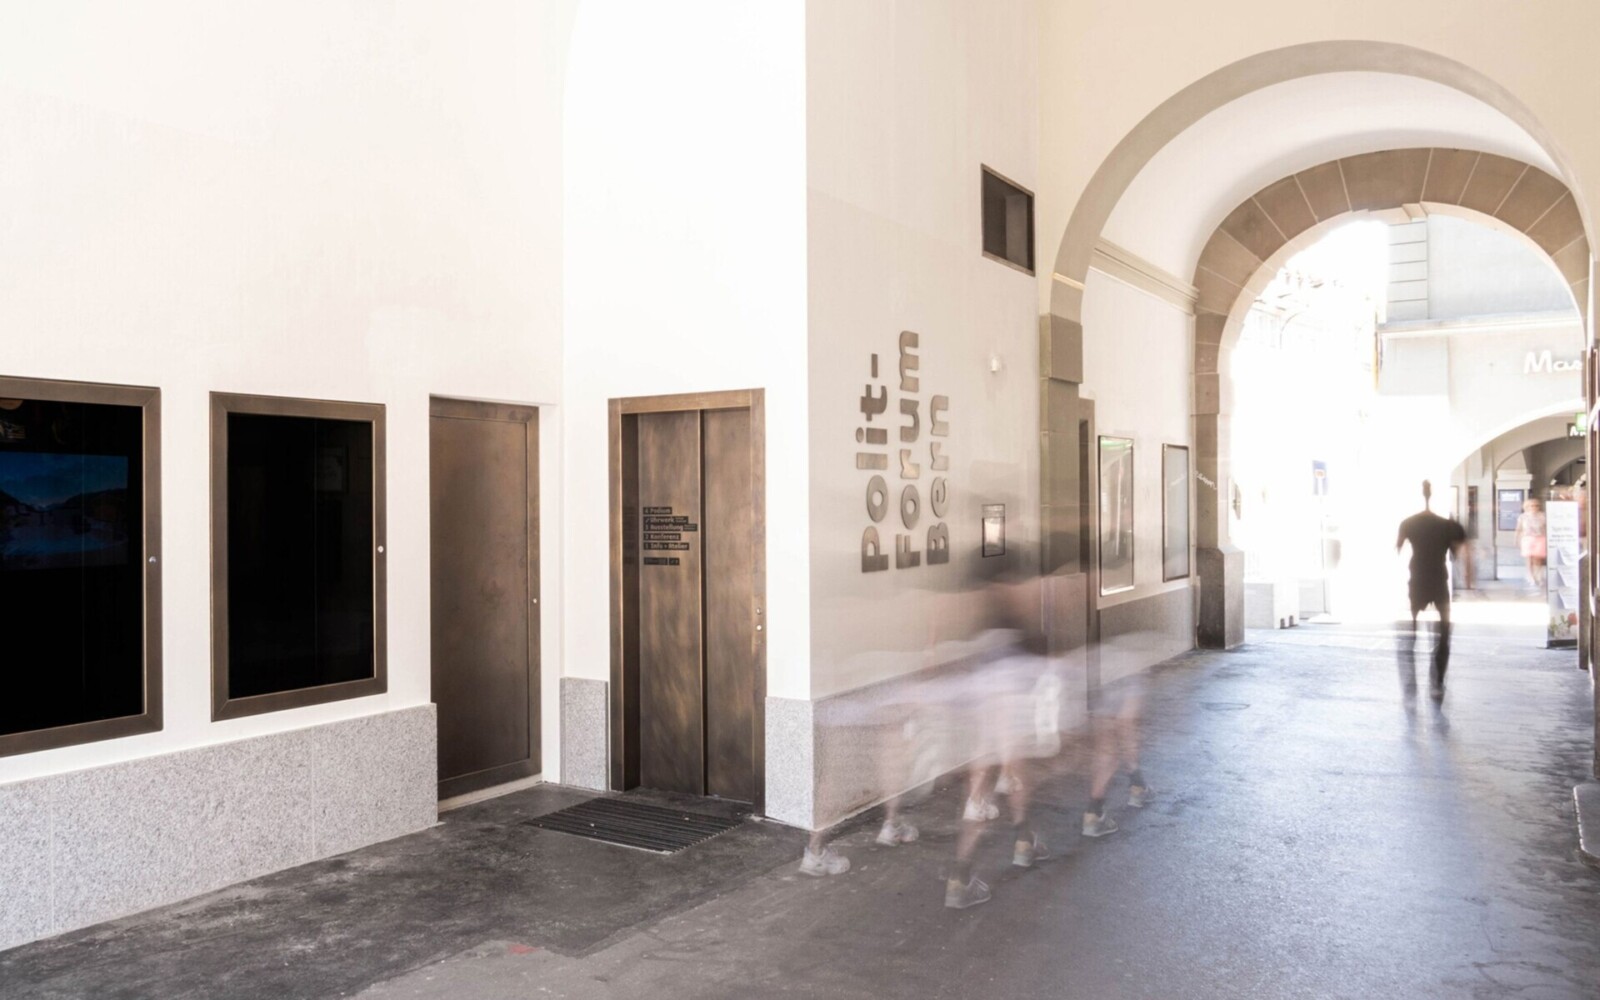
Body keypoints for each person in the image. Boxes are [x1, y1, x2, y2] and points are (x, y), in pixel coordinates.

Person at [1395, 480, 1467, 702]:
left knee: (1411, 632)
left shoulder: (1408, 523)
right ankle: (1437, 682)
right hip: (1438, 579)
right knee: (1443, 633)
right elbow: (1456, 554)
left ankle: (1410, 684)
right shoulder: (1448, 525)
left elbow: (1398, 548)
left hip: (1417, 578)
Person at [1515, 497, 1547, 591]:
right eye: (1532, 506)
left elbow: (1546, 528)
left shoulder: (1542, 516)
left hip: (1540, 538)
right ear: (1527, 507)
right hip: (1527, 538)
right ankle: (1531, 576)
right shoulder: (1523, 517)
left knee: (1538, 559)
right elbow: (1519, 529)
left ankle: (1538, 575)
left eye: (1536, 505)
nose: (1534, 507)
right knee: (1529, 558)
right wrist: (1516, 539)